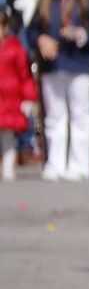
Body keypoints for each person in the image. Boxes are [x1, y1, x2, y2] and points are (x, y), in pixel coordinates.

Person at [26, 0, 89, 181]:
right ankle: (55, 162)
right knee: (54, 115)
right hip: (53, 66)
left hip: (79, 64)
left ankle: (79, 164)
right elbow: (32, 31)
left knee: (80, 113)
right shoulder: (46, 1)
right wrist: (41, 39)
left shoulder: (87, 2)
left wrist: (81, 35)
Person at [0, 12, 38, 180]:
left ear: (5, 27)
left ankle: (8, 167)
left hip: (10, 98)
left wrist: (29, 98)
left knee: (8, 136)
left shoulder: (15, 48)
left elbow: (25, 76)